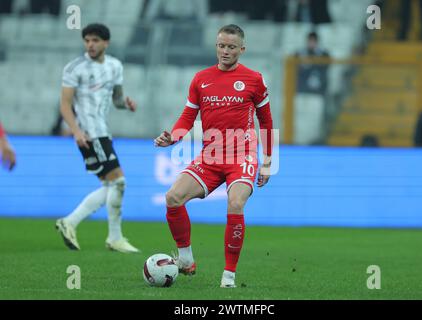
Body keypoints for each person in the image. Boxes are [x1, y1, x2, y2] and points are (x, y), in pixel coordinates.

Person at [154, 24, 273, 288]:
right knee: (173, 197)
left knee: (235, 203)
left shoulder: (254, 79)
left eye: (231, 47)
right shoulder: (201, 78)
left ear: (242, 49)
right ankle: (186, 259)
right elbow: (188, 116)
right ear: (216, 46)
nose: (225, 51)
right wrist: (173, 137)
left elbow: (266, 121)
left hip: (242, 155)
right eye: (221, 45)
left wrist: (267, 161)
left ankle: (228, 275)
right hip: (210, 155)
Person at [55, 23, 140, 253]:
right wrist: (75, 131)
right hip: (89, 134)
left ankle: (70, 222)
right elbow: (64, 104)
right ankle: (114, 237)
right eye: (87, 40)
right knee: (119, 182)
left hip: (103, 131)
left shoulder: (115, 66)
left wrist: (126, 104)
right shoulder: (75, 68)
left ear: (106, 43)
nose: (90, 45)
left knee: (110, 185)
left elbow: (117, 99)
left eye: (95, 40)